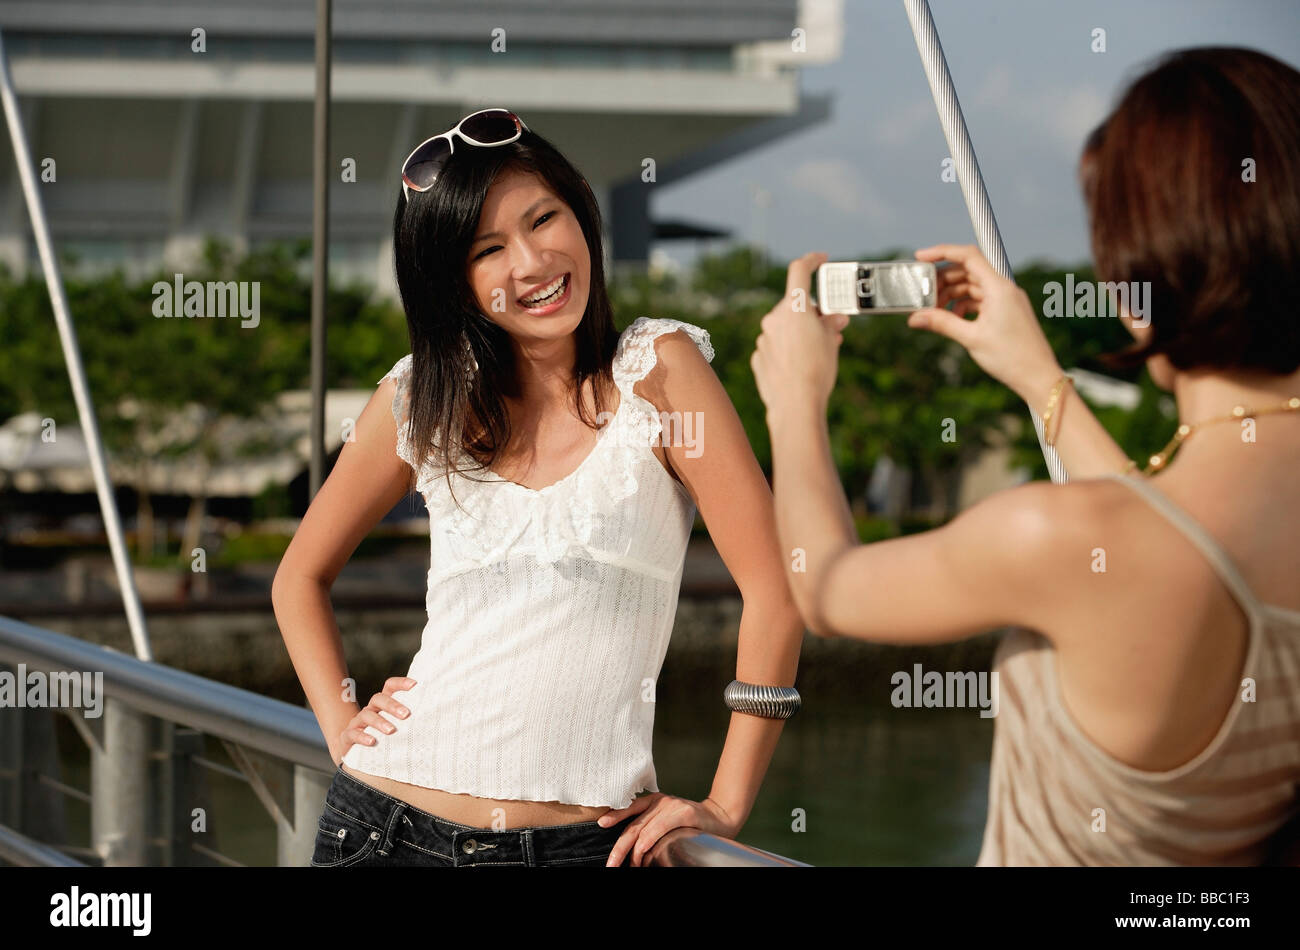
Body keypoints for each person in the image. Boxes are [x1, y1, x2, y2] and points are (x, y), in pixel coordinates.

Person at [750, 46, 1300, 865]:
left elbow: (826, 587)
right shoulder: (1152, 534)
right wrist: (1036, 373)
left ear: (1137, 271)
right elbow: (1158, 538)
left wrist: (795, 397)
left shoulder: (1056, 538)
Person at [272, 109, 805, 867]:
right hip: (381, 827)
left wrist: (724, 802)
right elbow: (299, 575)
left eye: (542, 219)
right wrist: (343, 721)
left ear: (581, 206)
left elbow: (774, 591)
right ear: (456, 284)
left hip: (576, 849)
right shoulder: (421, 395)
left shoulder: (660, 369)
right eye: (488, 250)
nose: (530, 263)